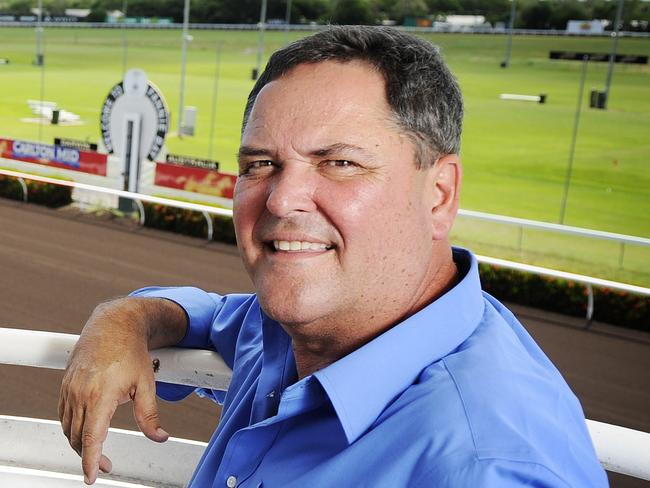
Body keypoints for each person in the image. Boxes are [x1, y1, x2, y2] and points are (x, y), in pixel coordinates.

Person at [59, 26, 607, 487]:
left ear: (439, 193)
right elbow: (211, 315)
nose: (281, 199)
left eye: (339, 162)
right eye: (259, 164)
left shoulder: (488, 465)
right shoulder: (300, 325)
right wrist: (123, 319)